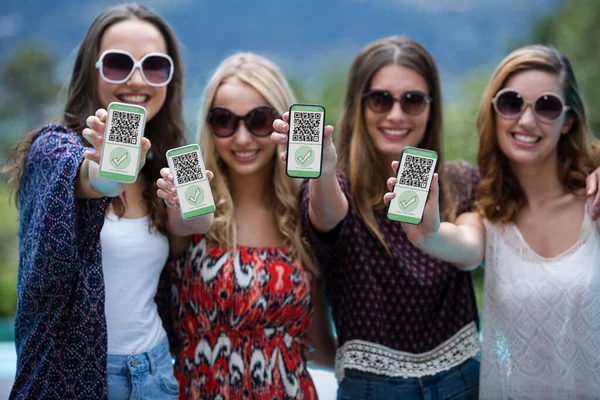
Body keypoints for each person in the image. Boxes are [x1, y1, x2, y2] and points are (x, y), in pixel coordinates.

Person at [3, 4, 212, 399]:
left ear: (171, 78)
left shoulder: (166, 165)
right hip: (75, 383)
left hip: (156, 375)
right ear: (91, 71)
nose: (137, 79)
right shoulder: (53, 149)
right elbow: (98, 179)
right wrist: (111, 170)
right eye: (118, 64)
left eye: (154, 66)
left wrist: (192, 213)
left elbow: (194, 227)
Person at [384, 45, 600, 398]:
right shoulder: (488, 215)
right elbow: (464, 247)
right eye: (512, 103)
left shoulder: (596, 204)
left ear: (568, 121)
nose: (527, 121)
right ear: (495, 112)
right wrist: (429, 234)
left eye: (546, 107)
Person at [272, 35, 482, 399]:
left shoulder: (459, 180)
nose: (396, 114)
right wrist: (321, 173)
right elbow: (327, 216)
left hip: (460, 381)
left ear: (432, 107)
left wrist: (430, 235)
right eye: (380, 99)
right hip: (371, 388)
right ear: (358, 104)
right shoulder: (334, 187)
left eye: (413, 100)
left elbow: (472, 251)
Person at [155, 52, 336, 399]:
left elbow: (319, 346)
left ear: (283, 125)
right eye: (224, 120)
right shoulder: (193, 195)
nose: (241, 138)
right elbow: (184, 222)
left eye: (259, 121)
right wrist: (180, 202)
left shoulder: (304, 213)